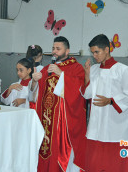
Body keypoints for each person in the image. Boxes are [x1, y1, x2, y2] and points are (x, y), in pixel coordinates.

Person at [29, 36, 86, 172]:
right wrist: (35, 82)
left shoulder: (76, 68)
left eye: (58, 49)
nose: (54, 51)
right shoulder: (48, 68)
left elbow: (79, 92)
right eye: (53, 48)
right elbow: (33, 97)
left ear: (67, 51)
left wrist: (61, 74)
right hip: (47, 120)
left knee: (61, 154)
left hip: (63, 124)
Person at [81, 34, 128, 172]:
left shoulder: (123, 70)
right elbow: (87, 94)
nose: (94, 55)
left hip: (116, 124)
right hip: (97, 123)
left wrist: (111, 101)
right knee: (96, 162)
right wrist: (87, 75)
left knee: (115, 164)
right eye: (92, 52)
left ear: (107, 49)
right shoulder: (94, 70)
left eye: (96, 52)